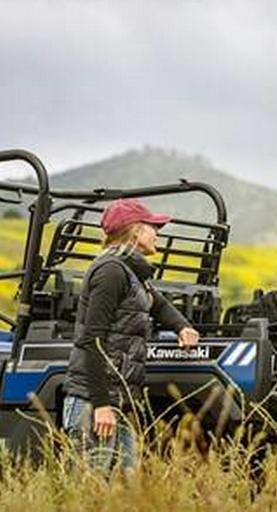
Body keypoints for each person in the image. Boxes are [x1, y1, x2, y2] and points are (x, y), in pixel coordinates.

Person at [63, 198, 200, 474]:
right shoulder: (111, 271)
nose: (157, 233)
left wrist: (182, 327)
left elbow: (158, 303)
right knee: (90, 489)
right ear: (136, 231)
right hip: (95, 402)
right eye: (153, 227)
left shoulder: (134, 274)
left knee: (124, 486)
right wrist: (101, 405)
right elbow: (92, 341)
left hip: (119, 401)